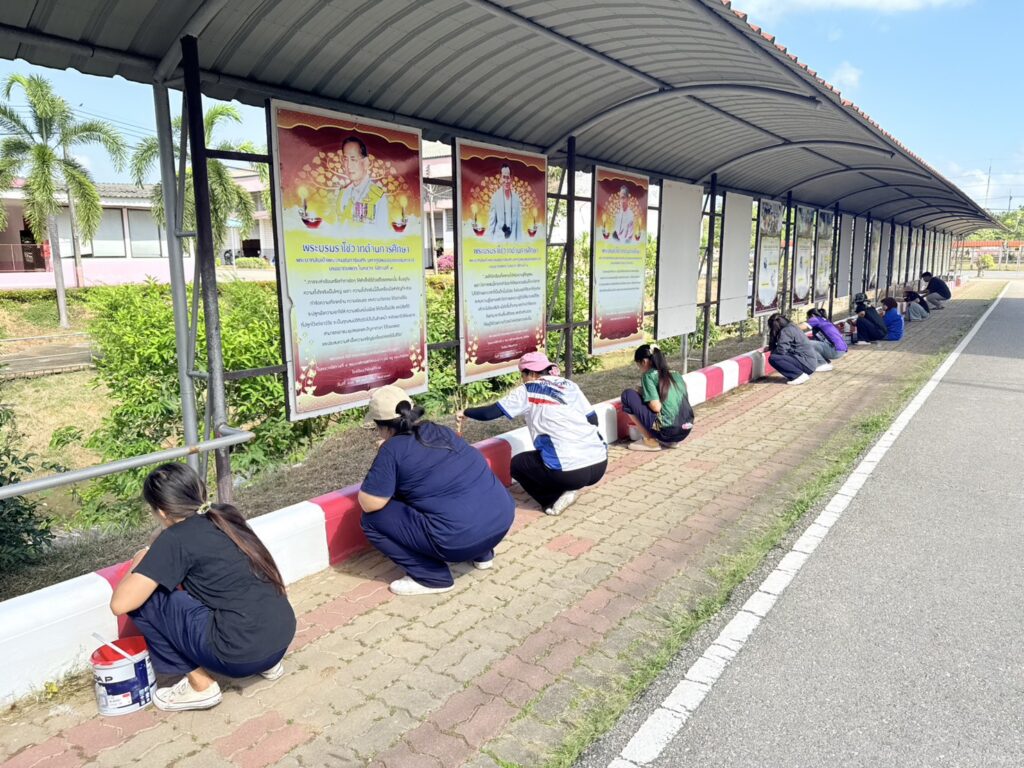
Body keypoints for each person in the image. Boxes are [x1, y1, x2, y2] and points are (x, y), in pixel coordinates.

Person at [109, 463, 296, 712]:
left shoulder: (175, 539)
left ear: (161, 511)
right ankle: (267, 664)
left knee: (146, 600)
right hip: (281, 637)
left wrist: (141, 558)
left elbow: (120, 604)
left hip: (238, 656)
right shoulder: (225, 515)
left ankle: (201, 686)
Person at [359, 386, 515, 596]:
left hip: (458, 539)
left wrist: (385, 452)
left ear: (381, 426)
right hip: (501, 520)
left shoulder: (392, 450)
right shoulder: (441, 430)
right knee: (457, 490)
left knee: (372, 520)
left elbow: (370, 503)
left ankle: (431, 576)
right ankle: (483, 554)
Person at [462, 351, 607, 516]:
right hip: (599, 464)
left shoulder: (528, 390)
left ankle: (552, 500)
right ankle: (568, 486)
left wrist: (466, 412)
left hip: (570, 471)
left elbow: (490, 413)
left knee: (518, 464)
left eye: (522, 375)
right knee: (546, 455)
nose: (522, 380)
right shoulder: (569, 385)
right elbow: (593, 420)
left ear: (530, 373)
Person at [620, 344, 694, 452]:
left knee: (628, 395)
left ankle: (650, 441)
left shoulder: (649, 375)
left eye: (639, 365)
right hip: (685, 430)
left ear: (644, 362)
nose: (640, 369)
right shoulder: (676, 374)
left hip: (667, 431)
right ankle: (672, 442)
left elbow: (656, 407)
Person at [766, 312, 831, 386]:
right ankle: (798, 374)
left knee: (774, 358)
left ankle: (798, 376)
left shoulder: (786, 331)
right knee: (777, 356)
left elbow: (781, 351)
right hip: (810, 362)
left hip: (807, 364)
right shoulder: (792, 326)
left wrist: (773, 349)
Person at [338, 136, 389, 228]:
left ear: (365, 162)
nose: (349, 166)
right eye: (345, 159)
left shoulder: (378, 197)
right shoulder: (343, 193)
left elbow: (383, 232)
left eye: (353, 159)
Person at [488, 163, 522, 240]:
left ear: (511, 178)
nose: (506, 181)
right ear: (500, 178)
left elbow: (518, 226)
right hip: (498, 242)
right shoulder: (495, 197)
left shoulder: (516, 199)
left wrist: (519, 243)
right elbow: (491, 225)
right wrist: (489, 243)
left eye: (508, 177)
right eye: (504, 177)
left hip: (512, 243)